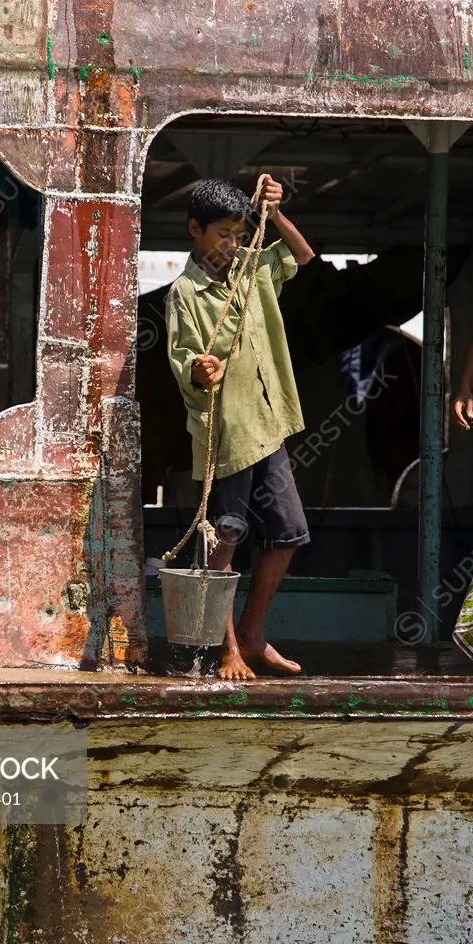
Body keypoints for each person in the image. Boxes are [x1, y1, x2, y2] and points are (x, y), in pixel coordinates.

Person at [165, 176, 315, 681]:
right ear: (195, 230)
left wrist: (273, 215)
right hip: (225, 437)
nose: (231, 244)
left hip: (267, 427)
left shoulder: (254, 268)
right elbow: (182, 360)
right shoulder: (185, 292)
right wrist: (199, 371)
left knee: (289, 532)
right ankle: (225, 648)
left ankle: (252, 635)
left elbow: (303, 255)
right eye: (222, 234)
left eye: (237, 233)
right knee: (224, 541)